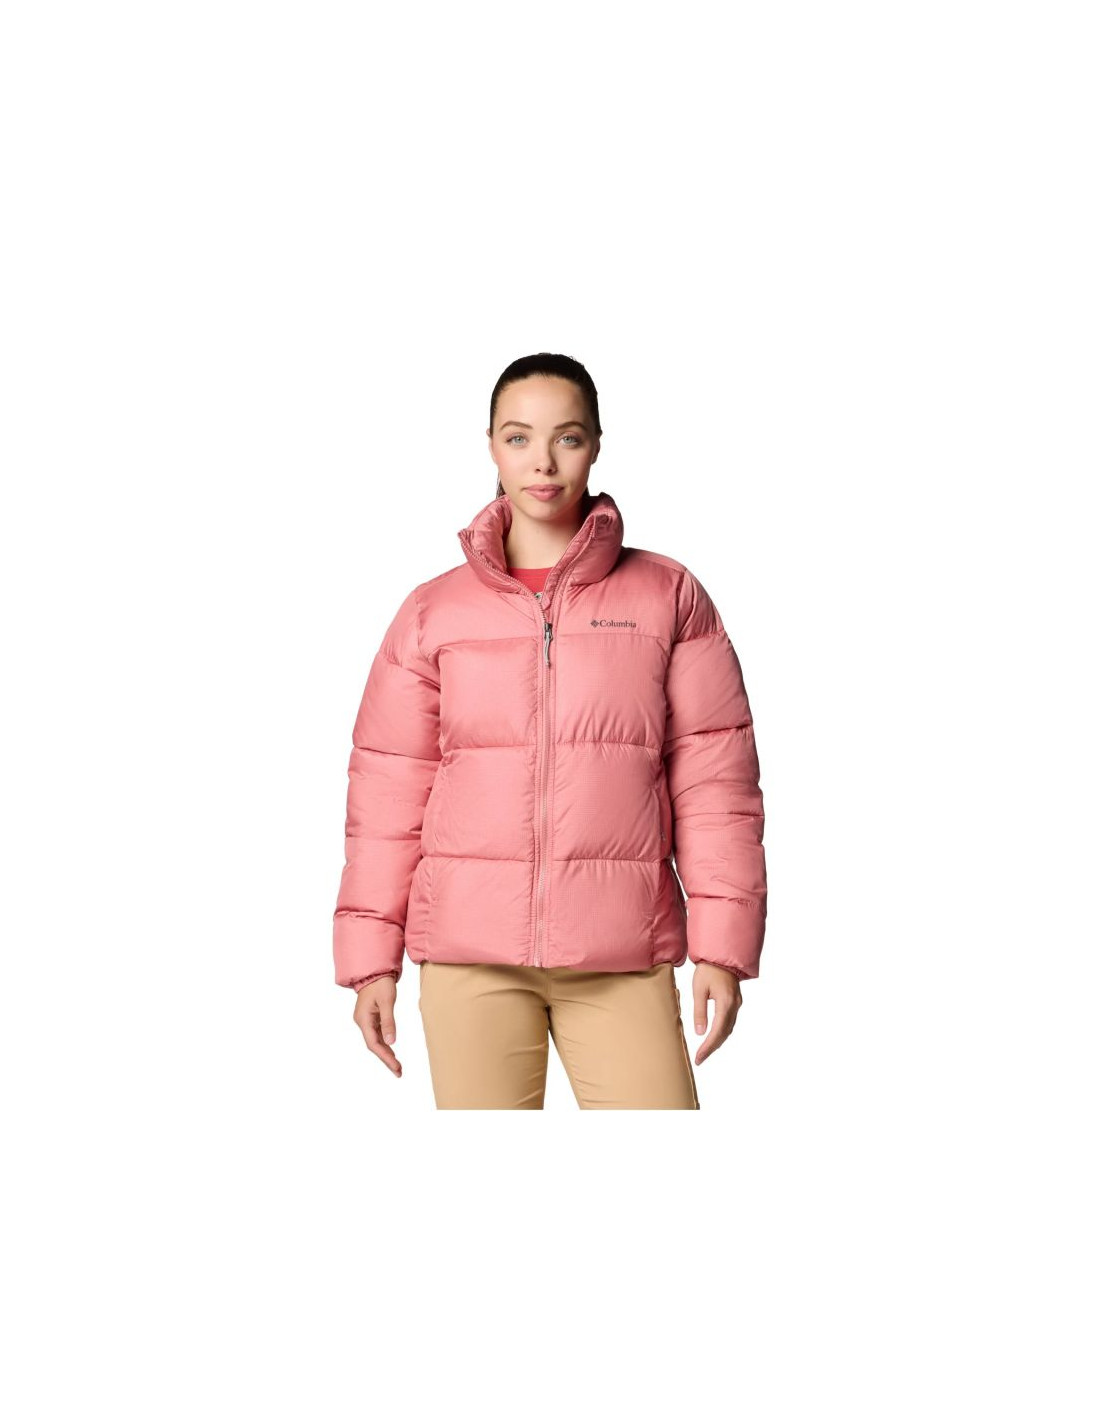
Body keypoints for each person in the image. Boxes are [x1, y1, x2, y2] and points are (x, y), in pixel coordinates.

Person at [333, 352, 768, 1109]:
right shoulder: (433, 612)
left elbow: (715, 786)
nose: (543, 461)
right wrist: (371, 961)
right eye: (518, 437)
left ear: (596, 444)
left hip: (622, 954)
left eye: (566, 437)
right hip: (469, 958)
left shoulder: (667, 596)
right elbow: (387, 796)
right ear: (491, 448)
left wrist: (722, 950)